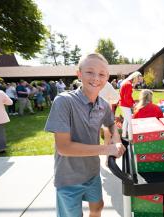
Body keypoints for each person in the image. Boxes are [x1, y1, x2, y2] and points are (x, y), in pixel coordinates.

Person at [45, 53, 126, 217]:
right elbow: (64, 147)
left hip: (92, 172)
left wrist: (116, 141)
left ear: (107, 78)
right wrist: (107, 149)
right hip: (68, 176)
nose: (96, 78)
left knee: (97, 207)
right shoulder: (64, 102)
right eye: (90, 72)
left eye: (102, 74)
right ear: (79, 74)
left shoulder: (103, 105)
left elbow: (111, 123)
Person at [119, 71, 142, 140]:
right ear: (135, 78)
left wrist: (133, 103)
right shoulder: (128, 84)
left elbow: (128, 97)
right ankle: (131, 138)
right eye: (138, 79)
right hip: (125, 105)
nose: (138, 82)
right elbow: (127, 98)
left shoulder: (127, 83)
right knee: (130, 122)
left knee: (126, 121)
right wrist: (132, 105)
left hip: (123, 104)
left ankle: (123, 135)